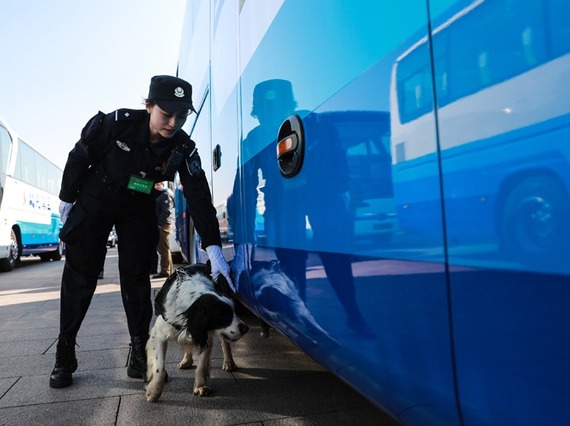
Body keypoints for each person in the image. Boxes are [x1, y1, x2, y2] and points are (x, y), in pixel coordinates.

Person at [50, 75, 233, 389]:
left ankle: (139, 351)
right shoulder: (117, 124)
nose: (173, 122)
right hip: (97, 198)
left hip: (138, 205)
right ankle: (65, 350)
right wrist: (67, 199)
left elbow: (199, 195)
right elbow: (80, 156)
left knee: (136, 277)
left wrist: (214, 248)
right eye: (166, 113)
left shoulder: (183, 148)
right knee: (80, 275)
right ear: (149, 106)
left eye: (182, 115)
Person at [152, 181, 175, 278]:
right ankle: (167, 270)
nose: (156, 186)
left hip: (163, 225)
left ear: (162, 185)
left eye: (158, 184)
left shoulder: (165, 195)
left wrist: (160, 224)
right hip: (163, 224)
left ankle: (166, 271)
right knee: (164, 248)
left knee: (164, 249)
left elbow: (167, 211)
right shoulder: (162, 195)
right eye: (155, 185)